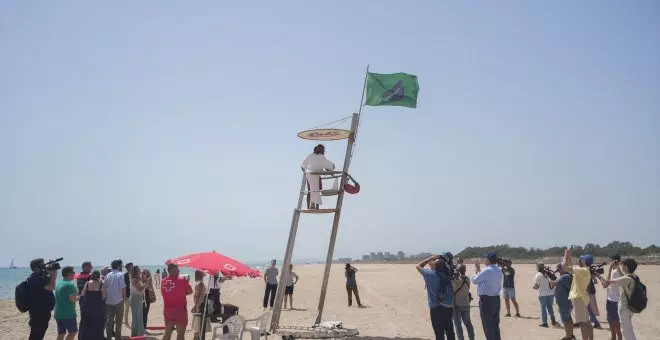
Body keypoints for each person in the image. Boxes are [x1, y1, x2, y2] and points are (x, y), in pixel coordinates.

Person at [416, 254, 454, 339]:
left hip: (435, 308)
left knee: (439, 332)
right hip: (448, 307)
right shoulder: (448, 275)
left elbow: (418, 266)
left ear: (434, 266)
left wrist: (430, 258)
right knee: (450, 330)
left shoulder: (430, 275)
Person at [602, 258, 639, 340]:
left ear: (626, 266)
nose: (622, 266)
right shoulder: (634, 277)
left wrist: (610, 268)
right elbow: (624, 278)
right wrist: (618, 268)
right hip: (631, 306)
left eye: (623, 265)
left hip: (624, 307)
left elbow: (607, 282)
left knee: (626, 331)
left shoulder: (625, 278)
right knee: (628, 329)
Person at [562, 248, 594, 340]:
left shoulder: (582, 270)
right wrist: (569, 256)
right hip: (582, 297)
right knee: (587, 322)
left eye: (581, 259)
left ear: (584, 261)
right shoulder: (584, 270)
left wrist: (566, 254)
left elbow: (564, 267)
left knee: (583, 323)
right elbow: (571, 266)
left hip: (578, 298)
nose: (579, 260)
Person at [471, 253, 503, 340]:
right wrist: (478, 269)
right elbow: (484, 278)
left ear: (488, 260)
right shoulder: (499, 270)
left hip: (487, 300)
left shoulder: (487, 270)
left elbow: (475, 280)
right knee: (495, 324)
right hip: (496, 299)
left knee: (488, 325)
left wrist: (475, 272)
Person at [26, 258, 57, 340]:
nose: (45, 267)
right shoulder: (36, 279)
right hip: (39, 312)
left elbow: (50, 284)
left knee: (38, 334)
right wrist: (53, 275)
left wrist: (52, 273)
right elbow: (52, 287)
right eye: (43, 265)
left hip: (41, 311)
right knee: (36, 335)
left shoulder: (39, 277)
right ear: (36, 267)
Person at [161, 263, 193, 340]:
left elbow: (166, 293)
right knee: (180, 335)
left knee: (167, 334)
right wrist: (185, 285)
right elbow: (190, 291)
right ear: (175, 270)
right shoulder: (182, 280)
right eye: (178, 269)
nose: (179, 271)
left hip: (168, 310)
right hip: (180, 310)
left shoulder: (163, 281)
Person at [301, 144, 335, 209]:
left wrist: (305, 172)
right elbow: (329, 166)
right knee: (316, 190)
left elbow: (302, 166)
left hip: (310, 175)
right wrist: (331, 170)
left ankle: (309, 206)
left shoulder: (310, 156)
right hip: (315, 175)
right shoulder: (321, 157)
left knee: (311, 190)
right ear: (322, 151)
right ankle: (315, 207)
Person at [598, 255, 623, 340]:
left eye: (615, 261)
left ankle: (617, 338)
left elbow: (606, 284)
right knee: (610, 320)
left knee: (616, 323)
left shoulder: (617, 271)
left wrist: (601, 275)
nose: (613, 263)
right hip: (610, 299)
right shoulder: (614, 270)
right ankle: (613, 338)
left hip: (615, 300)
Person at [54, 266, 79, 340]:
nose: (74, 274)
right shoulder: (69, 285)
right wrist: (81, 296)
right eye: (73, 272)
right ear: (69, 274)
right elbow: (73, 299)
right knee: (73, 332)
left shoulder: (59, 283)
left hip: (58, 313)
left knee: (61, 333)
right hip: (68, 314)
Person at [104, 259, 127, 340]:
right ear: (118, 265)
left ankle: (109, 337)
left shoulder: (108, 275)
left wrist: (105, 297)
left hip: (109, 301)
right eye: (121, 265)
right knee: (118, 321)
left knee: (109, 321)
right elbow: (123, 287)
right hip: (118, 300)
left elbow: (104, 287)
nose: (122, 266)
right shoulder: (120, 274)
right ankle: (117, 337)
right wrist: (124, 297)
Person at [79, 270, 105, 340]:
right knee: (97, 323)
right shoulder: (101, 283)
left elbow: (82, 294)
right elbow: (103, 297)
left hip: (87, 306)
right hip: (97, 307)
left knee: (86, 323)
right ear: (99, 276)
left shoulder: (87, 283)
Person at [452, 264, 475, 340]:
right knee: (468, 323)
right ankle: (472, 338)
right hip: (466, 304)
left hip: (457, 305)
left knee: (458, 325)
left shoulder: (456, 281)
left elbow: (453, 289)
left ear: (458, 271)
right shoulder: (468, 279)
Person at [554, 263, 575, 340]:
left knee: (565, 320)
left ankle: (568, 336)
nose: (558, 272)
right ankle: (570, 334)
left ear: (563, 268)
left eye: (559, 270)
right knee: (568, 318)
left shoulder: (565, 277)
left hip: (564, 301)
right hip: (565, 301)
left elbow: (569, 288)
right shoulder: (565, 276)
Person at [533, 263, 557, 327]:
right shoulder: (548, 273)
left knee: (543, 308)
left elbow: (536, 286)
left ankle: (545, 322)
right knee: (550, 307)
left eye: (536, 266)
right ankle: (553, 320)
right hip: (551, 293)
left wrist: (534, 287)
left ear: (538, 267)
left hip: (542, 294)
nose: (536, 268)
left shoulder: (538, 274)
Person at [192, 270, 211, 340]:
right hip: (201, 307)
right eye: (203, 272)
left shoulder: (198, 284)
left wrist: (195, 306)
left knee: (197, 330)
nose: (204, 273)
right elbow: (201, 298)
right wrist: (197, 307)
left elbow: (195, 297)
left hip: (198, 306)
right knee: (199, 330)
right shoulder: (201, 284)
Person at [128, 265, 146, 336]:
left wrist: (144, 281)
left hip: (139, 297)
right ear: (136, 271)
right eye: (139, 270)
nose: (140, 271)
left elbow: (142, 289)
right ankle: (136, 334)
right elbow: (140, 289)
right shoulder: (134, 279)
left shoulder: (138, 279)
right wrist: (146, 283)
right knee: (136, 317)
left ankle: (139, 333)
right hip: (135, 298)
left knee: (139, 316)